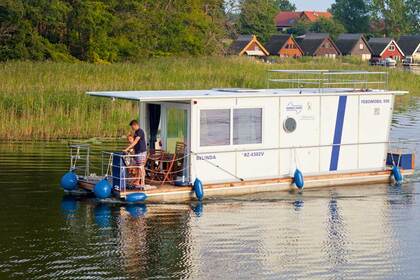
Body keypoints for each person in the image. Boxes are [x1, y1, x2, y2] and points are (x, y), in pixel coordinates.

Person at [124, 120, 147, 187]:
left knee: (141, 167)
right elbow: (133, 143)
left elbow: (135, 142)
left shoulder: (140, 131)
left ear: (135, 125)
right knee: (138, 167)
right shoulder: (136, 132)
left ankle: (142, 182)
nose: (132, 128)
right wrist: (130, 150)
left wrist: (127, 149)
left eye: (132, 127)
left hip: (141, 152)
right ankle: (138, 181)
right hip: (137, 152)